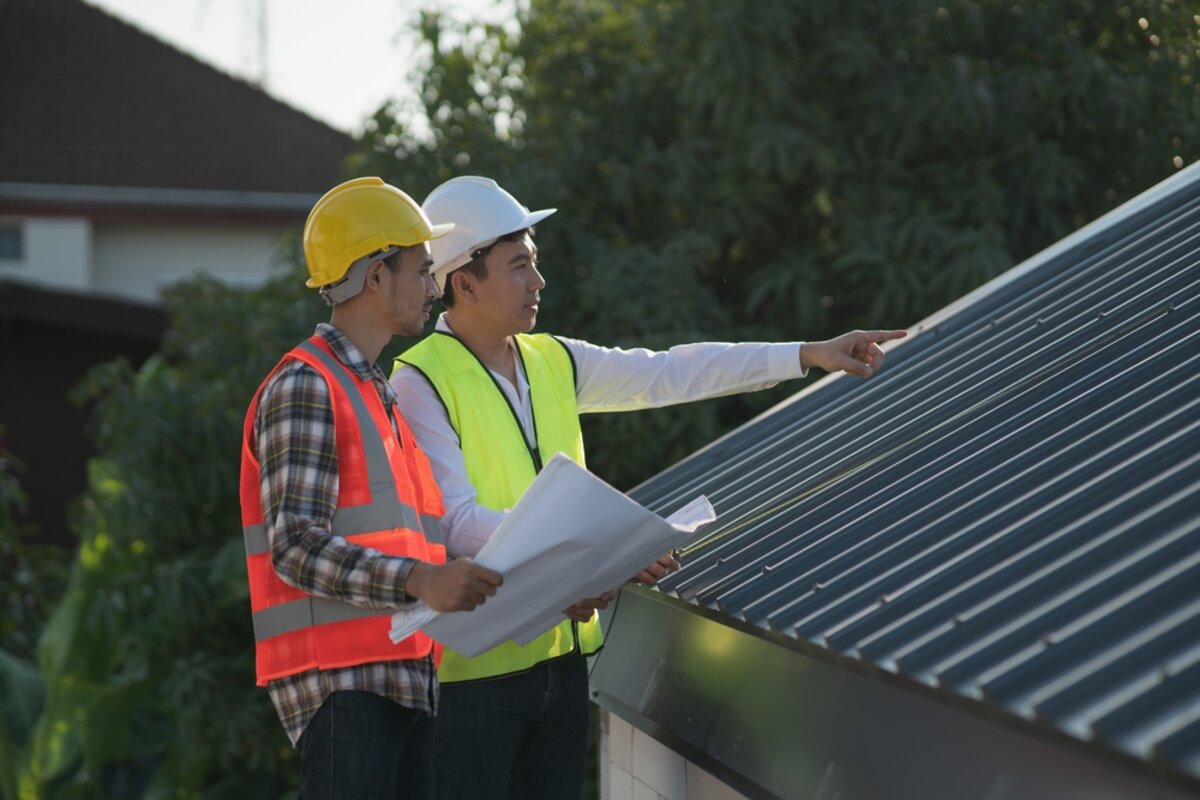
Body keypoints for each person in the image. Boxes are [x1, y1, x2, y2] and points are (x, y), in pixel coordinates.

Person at [389, 175, 907, 799]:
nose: (538, 281)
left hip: (561, 663)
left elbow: (667, 373)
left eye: (536, 263)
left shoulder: (551, 358)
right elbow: (455, 522)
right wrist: (591, 554)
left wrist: (805, 353)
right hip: (472, 682)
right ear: (463, 282)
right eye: (519, 265)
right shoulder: (418, 382)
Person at [238, 177, 503, 800]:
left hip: (396, 676)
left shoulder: (374, 397)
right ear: (375, 277)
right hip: (344, 685)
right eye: (420, 270)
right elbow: (295, 545)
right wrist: (419, 581)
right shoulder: (308, 385)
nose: (434, 289)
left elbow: (421, 552)